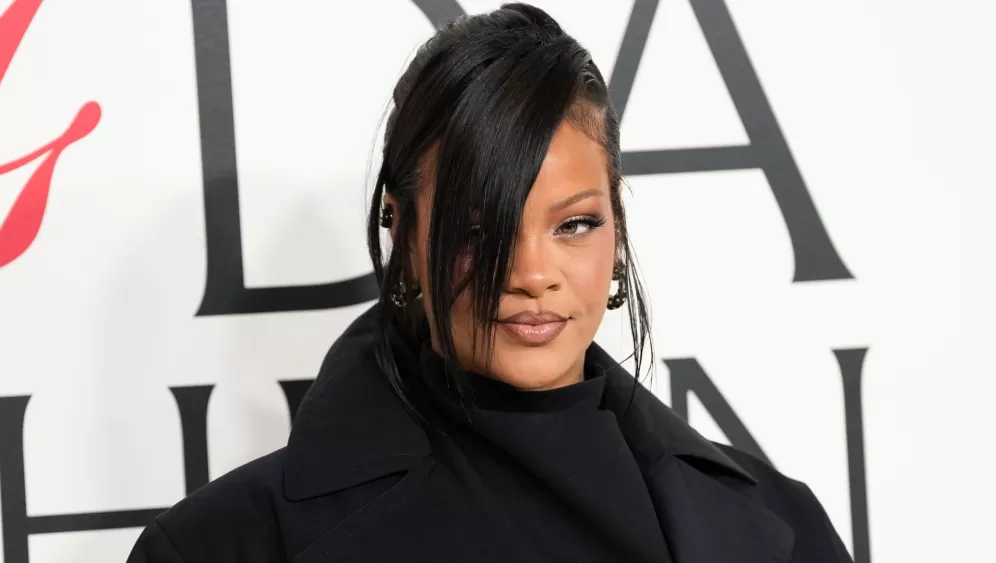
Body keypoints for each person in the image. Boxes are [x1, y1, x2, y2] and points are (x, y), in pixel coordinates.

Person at [127, 4, 852, 562]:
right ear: (404, 232)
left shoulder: (783, 520)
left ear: (617, 227)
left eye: (575, 224)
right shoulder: (223, 546)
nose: (531, 276)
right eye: (479, 232)